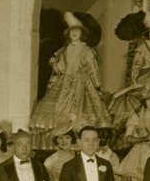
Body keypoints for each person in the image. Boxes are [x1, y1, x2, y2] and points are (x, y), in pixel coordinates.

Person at [29, 12, 109, 144]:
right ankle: (61, 138)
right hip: (64, 82)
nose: (74, 33)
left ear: (82, 33)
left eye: (77, 30)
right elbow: (62, 67)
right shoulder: (65, 49)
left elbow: (92, 68)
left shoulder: (87, 50)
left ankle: (80, 139)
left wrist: (97, 85)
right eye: (72, 30)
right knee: (53, 107)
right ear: (68, 32)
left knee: (81, 111)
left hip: (81, 83)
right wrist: (55, 65)